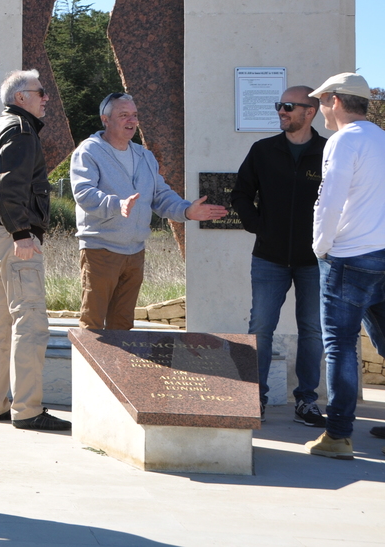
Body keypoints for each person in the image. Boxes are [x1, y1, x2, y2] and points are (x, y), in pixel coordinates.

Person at [70, 93, 228, 330]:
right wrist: (117, 205)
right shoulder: (88, 152)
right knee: (92, 325)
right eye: (124, 115)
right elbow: (84, 193)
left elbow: (160, 195)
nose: (132, 121)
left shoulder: (145, 156)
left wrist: (186, 211)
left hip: (135, 253)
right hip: (100, 250)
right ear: (105, 119)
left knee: (122, 325)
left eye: (134, 115)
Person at [0, 70, 69, 431]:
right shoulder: (21, 130)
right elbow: (7, 187)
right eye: (40, 92)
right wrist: (22, 233)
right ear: (20, 97)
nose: (46, 98)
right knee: (30, 322)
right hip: (14, 239)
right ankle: (27, 409)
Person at [230, 86, 326, 426]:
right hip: (269, 258)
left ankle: (306, 401)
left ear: (309, 112)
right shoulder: (263, 150)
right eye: (279, 106)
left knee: (312, 330)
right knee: (261, 327)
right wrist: (259, 226)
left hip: (315, 261)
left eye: (288, 106)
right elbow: (240, 194)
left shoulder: (328, 152)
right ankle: (255, 398)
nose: (281, 112)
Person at [304, 73, 385, 459]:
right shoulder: (381, 138)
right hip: (382, 255)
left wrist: (320, 248)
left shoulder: (342, 140)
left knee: (340, 346)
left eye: (321, 101)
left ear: (336, 101)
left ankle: (337, 436)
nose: (319, 109)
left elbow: (329, 200)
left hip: (348, 258)